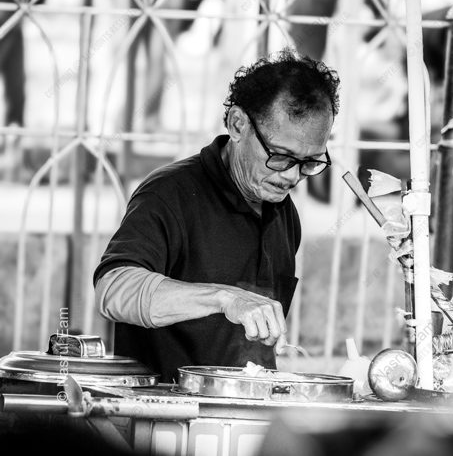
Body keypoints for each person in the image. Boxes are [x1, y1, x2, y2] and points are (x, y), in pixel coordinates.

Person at [93, 50, 339, 382]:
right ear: (238, 124)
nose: (293, 176)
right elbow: (113, 289)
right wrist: (224, 299)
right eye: (281, 156)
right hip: (168, 414)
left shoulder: (282, 211)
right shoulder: (170, 193)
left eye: (309, 162)